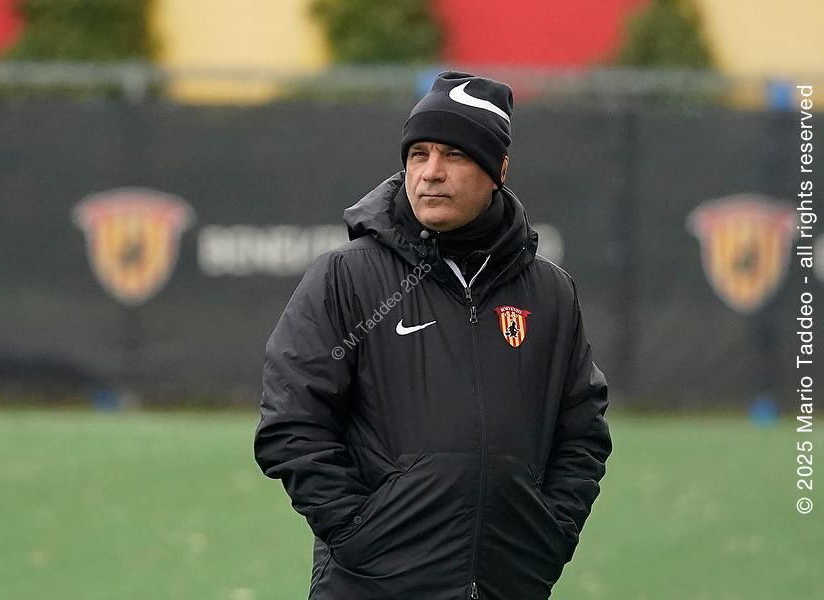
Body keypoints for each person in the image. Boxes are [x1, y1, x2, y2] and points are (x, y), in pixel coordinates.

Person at [255, 71, 612, 600]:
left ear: (499, 170)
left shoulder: (550, 292)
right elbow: (291, 422)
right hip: (371, 586)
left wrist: (548, 537)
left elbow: (582, 431)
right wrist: (360, 536)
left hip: (507, 585)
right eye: (418, 154)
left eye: (455, 155)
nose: (431, 172)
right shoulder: (345, 277)